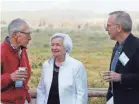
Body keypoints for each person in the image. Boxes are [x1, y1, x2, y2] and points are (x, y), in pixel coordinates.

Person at [36, 33, 88, 104]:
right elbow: (41, 90)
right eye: (52, 45)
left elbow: (82, 94)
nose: (54, 48)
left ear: (66, 47)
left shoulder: (77, 66)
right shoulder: (46, 65)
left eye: (58, 45)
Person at [103, 11, 139, 104]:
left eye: (109, 25)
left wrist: (121, 77)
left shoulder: (137, 46)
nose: (106, 29)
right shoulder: (117, 47)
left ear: (119, 27)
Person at [1, 18, 32, 104]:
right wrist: (10, 77)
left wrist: (28, 98)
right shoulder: (1, 52)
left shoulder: (22, 50)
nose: (30, 38)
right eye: (27, 34)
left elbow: (25, 79)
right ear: (15, 34)